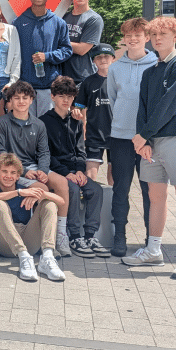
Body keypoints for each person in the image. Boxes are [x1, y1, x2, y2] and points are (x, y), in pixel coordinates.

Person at [123, 17, 176, 280]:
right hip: (151, 143)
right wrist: (142, 139)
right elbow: (142, 109)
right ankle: (153, 249)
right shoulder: (150, 71)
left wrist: (143, 136)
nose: (158, 39)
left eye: (164, 34)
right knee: (155, 196)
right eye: (154, 34)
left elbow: (172, 104)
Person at [0, 80, 72, 255]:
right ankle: (42, 240)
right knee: (41, 188)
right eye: (17, 98)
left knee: (61, 183)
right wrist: (26, 172)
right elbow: (0, 152)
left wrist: (42, 171)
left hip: (36, 167)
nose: (21, 101)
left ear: (31, 100)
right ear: (10, 101)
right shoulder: (1, 123)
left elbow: (44, 152)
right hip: (13, 170)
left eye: (25, 98)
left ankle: (60, 233)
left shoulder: (38, 124)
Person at [107, 18, 157, 258]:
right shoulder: (116, 67)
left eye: (138, 35)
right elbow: (113, 100)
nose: (133, 39)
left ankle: (151, 240)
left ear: (147, 37)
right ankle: (119, 238)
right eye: (128, 35)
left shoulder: (157, 64)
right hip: (121, 138)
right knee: (120, 191)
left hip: (148, 140)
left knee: (150, 193)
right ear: (124, 38)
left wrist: (146, 134)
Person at [40, 76, 105, 258]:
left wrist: (79, 170)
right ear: (53, 97)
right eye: (61, 96)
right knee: (73, 190)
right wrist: (66, 173)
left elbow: (80, 151)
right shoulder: (43, 122)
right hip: (57, 170)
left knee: (96, 190)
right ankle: (74, 236)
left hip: (75, 170)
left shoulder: (76, 121)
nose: (66, 100)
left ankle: (90, 236)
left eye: (69, 96)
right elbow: (46, 154)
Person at [0, 153, 66, 282]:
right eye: (4, 171)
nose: (8, 176)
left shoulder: (26, 190)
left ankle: (47, 256)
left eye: (13, 173)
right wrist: (18, 193)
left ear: (18, 176)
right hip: (5, 245)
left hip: (28, 240)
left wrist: (41, 194)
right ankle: (23, 257)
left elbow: (61, 202)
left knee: (49, 204)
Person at [13, 0, 72, 117]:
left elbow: (67, 50)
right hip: (25, 87)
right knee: (27, 128)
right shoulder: (18, 22)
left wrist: (48, 56)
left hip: (50, 86)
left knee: (47, 128)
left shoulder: (58, 23)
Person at [73, 43, 115, 182]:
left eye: (106, 56)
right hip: (94, 134)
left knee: (114, 176)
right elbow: (79, 107)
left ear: (113, 58)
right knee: (90, 176)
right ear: (93, 61)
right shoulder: (88, 82)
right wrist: (81, 125)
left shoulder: (119, 80)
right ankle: (91, 201)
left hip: (116, 134)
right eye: (99, 57)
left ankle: (113, 203)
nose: (103, 59)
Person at [61, 0, 104, 85]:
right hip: (63, 77)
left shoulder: (94, 19)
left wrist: (58, 41)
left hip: (84, 79)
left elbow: (82, 49)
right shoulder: (64, 17)